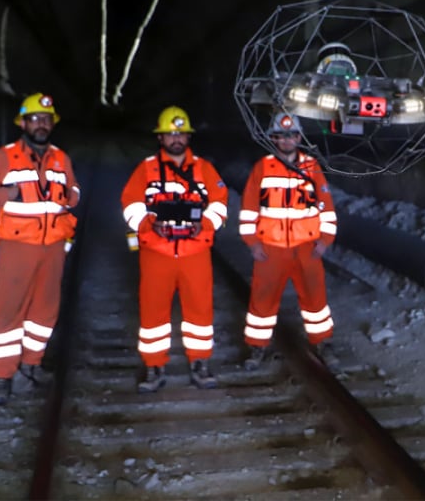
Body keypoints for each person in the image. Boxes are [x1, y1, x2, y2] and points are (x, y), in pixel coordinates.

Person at [0, 92, 80, 405]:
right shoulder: (4, 157)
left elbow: (74, 191)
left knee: (45, 310)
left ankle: (31, 365)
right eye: (35, 119)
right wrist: (5, 195)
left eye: (46, 119)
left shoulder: (61, 158)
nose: (41, 124)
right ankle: (1, 376)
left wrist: (70, 197)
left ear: (52, 124)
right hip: (17, 245)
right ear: (24, 123)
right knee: (9, 310)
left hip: (54, 246)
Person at [120, 106, 228, 392]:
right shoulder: (146, 169)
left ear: (188, 137)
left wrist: (204, 224)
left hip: (195, 252)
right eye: (171, 134)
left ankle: (200, 363)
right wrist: (146, 224)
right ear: (161, 138)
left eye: (181, 133)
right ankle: (154, 366)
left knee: (200, 312)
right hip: (156, 251)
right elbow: (130, 202)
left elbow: (220, 203)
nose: (176, 138)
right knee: (153, 312)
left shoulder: (204, 168)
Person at [238, 112, 339, 370]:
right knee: (263, 298)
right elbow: (249, 207)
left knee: (315, 298)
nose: (287, 140)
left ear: (298, 138)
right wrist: (252, 241)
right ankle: (257, 346)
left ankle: (322, 343)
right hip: (271, 249)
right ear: (274, 138)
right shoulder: (262, 168)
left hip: (307, 248)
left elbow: (326, 206)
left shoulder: (311, 167)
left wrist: (325, 239)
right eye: (281, 136)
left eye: (292, 135)